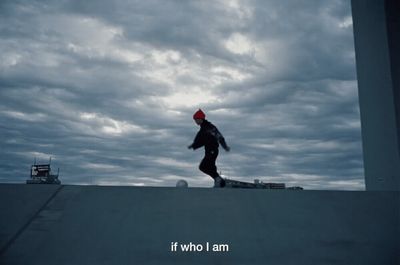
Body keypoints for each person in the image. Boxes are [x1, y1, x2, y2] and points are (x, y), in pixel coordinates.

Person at [188, 109, 230, 188]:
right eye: (195, 120)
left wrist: (225, 146)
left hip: (213, 150)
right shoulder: (203, 129)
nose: (195, 121)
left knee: (204, 166)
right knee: (208, 167)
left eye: (196, 119)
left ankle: (219, 180)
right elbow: (200, 140)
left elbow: (219, 137)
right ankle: (219, 181)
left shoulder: (210, 127)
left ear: (200, 119)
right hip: (209, 151)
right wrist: (193, 145)